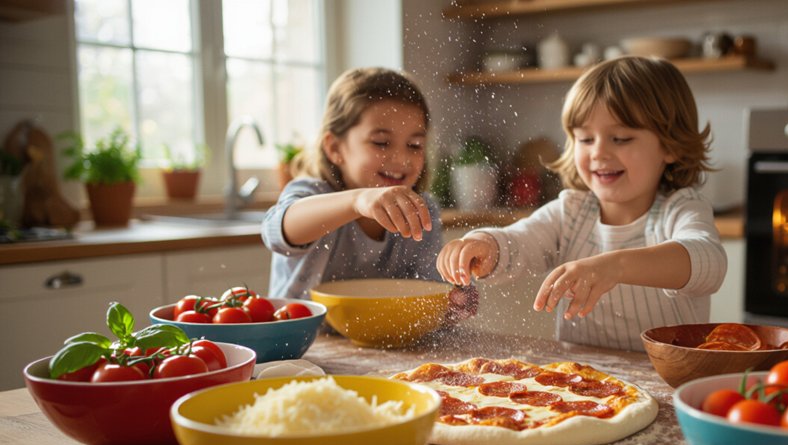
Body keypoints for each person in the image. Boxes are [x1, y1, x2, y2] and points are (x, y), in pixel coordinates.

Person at [436, 56, 726, 351]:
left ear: (671, 145)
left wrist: (616, 265)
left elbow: (709, 262)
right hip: (581, 382)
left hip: (667, 380)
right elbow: (519, 241)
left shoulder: (680, 209)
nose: (599, 152)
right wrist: (485, 244)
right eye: (586, 139)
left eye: (621, 138)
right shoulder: (571, 213)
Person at [263, 67, 475, 320]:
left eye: (415, 145)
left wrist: (453, 300)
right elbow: (277, 231)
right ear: (334, 147)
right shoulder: (311, 193)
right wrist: (358, 201)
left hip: (388, 350)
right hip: (304, 352)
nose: (401, 158)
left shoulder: (422, 211)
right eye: (381, 142)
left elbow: (427, 294)